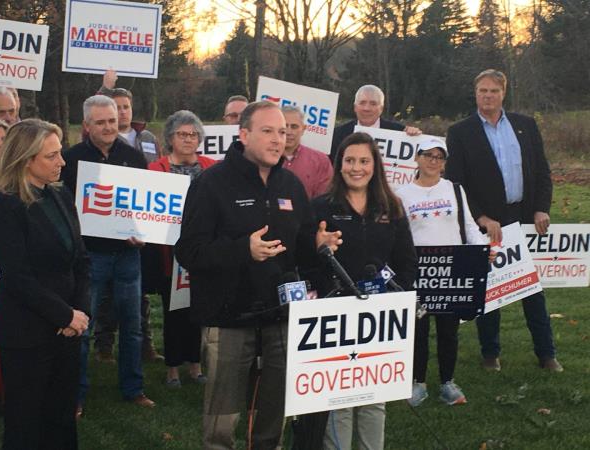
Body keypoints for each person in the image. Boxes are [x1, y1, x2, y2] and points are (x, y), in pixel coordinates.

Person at [175, 100, 341, 449]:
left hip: (281, 317)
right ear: (244, 134)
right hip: (228, 317)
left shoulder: (292, 185)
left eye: (282, 132)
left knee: (273, 417)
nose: (278, 139)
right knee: (222, 424)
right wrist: (241, 250)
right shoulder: (212, 183)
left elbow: (301, 248)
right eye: (268, 131)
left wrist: (318, 243)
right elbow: (189, 251)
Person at [445, 69, 562, 372]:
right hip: (487, 221)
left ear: (503, 93)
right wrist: (480, 217)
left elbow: (542, 172)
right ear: (475, 93)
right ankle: (490, 354)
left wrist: (541, 208)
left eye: (493, 91)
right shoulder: (460, 132)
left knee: (533, 290)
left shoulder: (525, 125)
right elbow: (456, 183)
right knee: (490, 289)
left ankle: (547, 354)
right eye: (482, 91)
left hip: (524, 216)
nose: (487, 96)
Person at [312, 132, 417, 450]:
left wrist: (396, 297)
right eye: (349, 161)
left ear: (375, 166)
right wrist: (316, 247)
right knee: (338, 398)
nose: (356, 168)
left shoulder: (392, 207)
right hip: (335, 314)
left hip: (380, 316)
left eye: (364, 161)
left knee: (375, 397)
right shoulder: (322, 207)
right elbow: (306, 263)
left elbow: (407, 261)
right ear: (339, 164)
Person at [0, 119, 90, 449]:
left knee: (62, 417)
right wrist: (64, 316)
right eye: (52, 156)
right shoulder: (4, 205)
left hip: (68, 330)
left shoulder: (60, 195)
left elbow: (80, 260)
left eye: (60, 153)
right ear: (26, 159)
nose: (62, 162)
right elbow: (17, 277)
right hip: (27, 334)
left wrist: (79, 314)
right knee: (26, 423)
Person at [61, 95, 155, 415]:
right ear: (86, 126)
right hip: (89, 258)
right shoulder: (70, 160)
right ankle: (76, 393)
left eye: (112, 121)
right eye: (100, 122)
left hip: (128, 255)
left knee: (132, 325)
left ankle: (134, 388)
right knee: (83, 327)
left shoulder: (134, 157)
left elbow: (144, 207)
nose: (108, 127)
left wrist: (143, 233)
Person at [396, 137, 489, 407]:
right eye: (428, 155)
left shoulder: (454, 189)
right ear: (417, 158)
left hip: (452, 272)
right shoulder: (402, 194)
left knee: (449, 330)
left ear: (444, 162)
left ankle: (448, 382)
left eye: (439, 157)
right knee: (419, 330)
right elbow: (399, 236)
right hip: (418, 272)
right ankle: (418, 382)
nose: (433, 161)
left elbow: (469, 226)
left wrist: (483, 251)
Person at [94, 69, 163, 363]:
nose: (122, 112)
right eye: (117, 107)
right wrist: (105, 86)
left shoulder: (146, 137)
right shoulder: (99, 136)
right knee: (106, 289)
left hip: (142, 223)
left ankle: (145, 343)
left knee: (140, 288)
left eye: (125, 107)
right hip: (106, 218)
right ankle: (105, 343)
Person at [148, 110, 216, 387]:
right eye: (182, 134)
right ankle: (173, 367)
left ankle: (196, 365)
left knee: (199, 309)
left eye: (193, 134)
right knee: (173, 311)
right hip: (169, 253)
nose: (189, 139)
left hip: (203, 252)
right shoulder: (156, 169)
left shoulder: (212, 167)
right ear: (170, 138)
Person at [330, 84, 421, 162]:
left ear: (381, 108)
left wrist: (415, 138)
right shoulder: (337, 135)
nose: (367, 108)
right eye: (362, 103)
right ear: (355, 107)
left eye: (373, 104)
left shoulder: (400, 133)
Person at [281, 105, 333, 198]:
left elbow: (324, 201)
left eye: (294, 127)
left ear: (303, 129)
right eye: (284, 126)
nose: (288, 132)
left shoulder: (321, 162)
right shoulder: (263, 157)